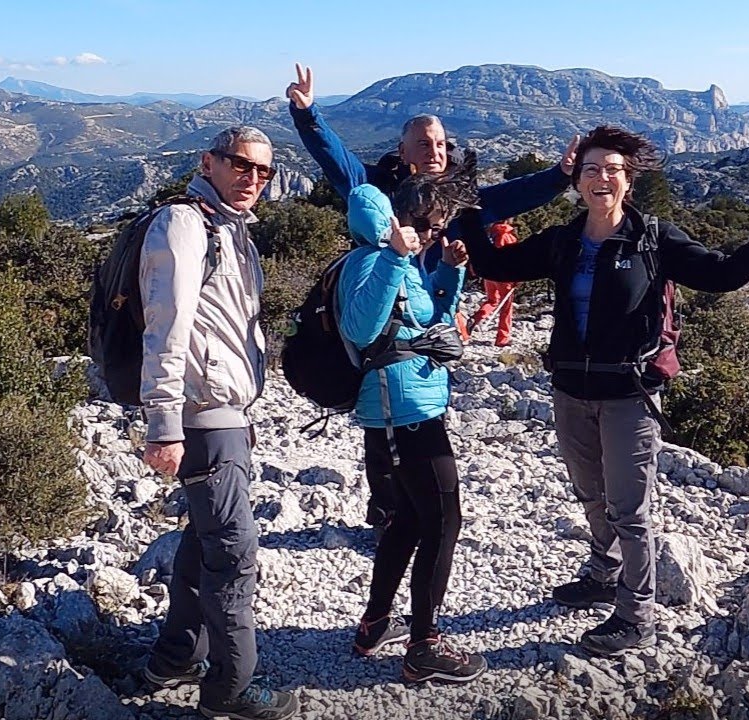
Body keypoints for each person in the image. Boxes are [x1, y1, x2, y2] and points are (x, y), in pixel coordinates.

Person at [459, 125, 749, 657]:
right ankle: (602, 571)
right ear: (576, 180)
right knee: (590, 494)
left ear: (628, 181)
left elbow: (724, 275)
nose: (601, 178)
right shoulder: (563, 240)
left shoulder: (654, 239)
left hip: (629, 396)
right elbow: (496, 265)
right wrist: (467, 215)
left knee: (629, 509)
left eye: (612, 170)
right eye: (591, 169)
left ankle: (635, 614)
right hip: (571, 389)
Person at [286, 61, 578, 536]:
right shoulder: (379, 193)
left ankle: (417, 510)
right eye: (423, 142)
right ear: (401, 152)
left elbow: (510, 197)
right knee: (382, 420)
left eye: (441, 142)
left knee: (423, 414)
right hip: (381, 325)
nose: (435, 150)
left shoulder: (457, 201)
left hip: (428, 326)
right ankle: (387, 514)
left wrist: (560, 176)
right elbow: (336, 160)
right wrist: (308, 114)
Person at [139, 126, 299, 720]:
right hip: (202, 416)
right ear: (209, 162)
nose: (252, 178)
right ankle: (232, 688)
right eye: (241, 164)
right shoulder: (185, 224)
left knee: (203, 540)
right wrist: (162, 422)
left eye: (264, 170)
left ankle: (175, 655)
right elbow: (166, 322)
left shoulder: (228, 228)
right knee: (233, 551)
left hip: (222, 413)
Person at [338, 171, 487, 683]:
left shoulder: (394, 261)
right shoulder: (369, 261)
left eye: (436, 226)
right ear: (395, 219)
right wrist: (398, 257)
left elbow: (427, 324)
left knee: (408, 520)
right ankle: (424, 644)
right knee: (444, 521)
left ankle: (375, 624)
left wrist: (448, 273)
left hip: (411, 406)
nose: (430, 233)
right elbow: (360, 328)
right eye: (424, 223)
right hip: (401, 414)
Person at [468, 218, 521, 346]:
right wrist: (517, 277)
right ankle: (502, 338)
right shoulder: (506, 235)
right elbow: (512, 259)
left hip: (488, 274)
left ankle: (475, 319)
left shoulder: (490, 234)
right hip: (503, 277)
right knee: (506, 307)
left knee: (492, 301)